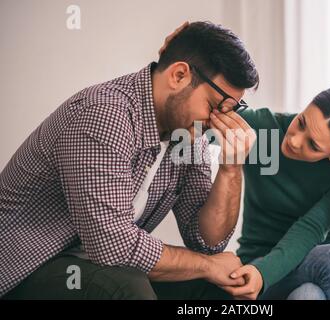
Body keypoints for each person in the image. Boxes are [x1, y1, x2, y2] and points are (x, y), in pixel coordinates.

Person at [0, 21, 259, 299]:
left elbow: (206, 242)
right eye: (214, 106)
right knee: (126, 286)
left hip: (99, 265)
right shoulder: (105, 115)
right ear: (179, 75)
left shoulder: (187, 136)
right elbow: (111, 245)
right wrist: (208, 266)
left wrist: (231, 168)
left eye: (230, 110)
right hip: (27, 269)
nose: (217, 120)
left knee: (223, 288)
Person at [160, 23, 330, 300]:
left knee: (310, 293)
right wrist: (172, 67)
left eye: (312, 144)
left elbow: (309, 229)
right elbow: (188, 123)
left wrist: (263, 274)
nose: (294, 140)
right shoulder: (264, 131)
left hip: (302, 268)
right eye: (301, 122)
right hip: (255, 274)